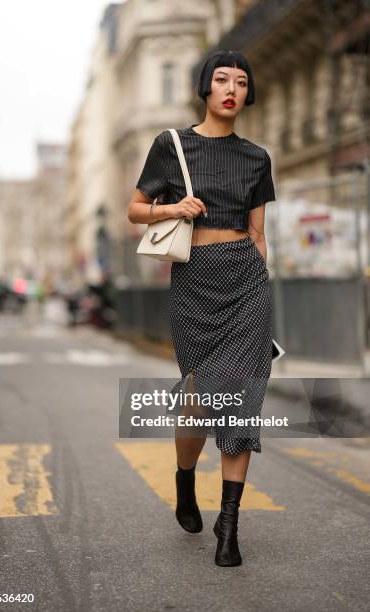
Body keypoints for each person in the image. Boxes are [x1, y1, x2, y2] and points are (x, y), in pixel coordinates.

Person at [127, 49, 276, 567]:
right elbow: (135, 210)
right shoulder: (172, 146)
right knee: (197, 400)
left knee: (239, 399)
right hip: (194, 279)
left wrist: (265, 298)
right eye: (221, 79)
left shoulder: (258, 158)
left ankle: (228, 525)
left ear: (246, 93)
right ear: (205, 88)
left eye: (240, 81)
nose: (231, 88)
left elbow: (258, 235)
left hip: (246, 279)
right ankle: (185, 481)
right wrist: (174, 207)